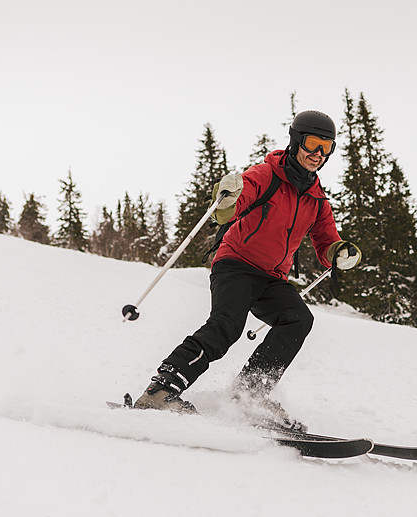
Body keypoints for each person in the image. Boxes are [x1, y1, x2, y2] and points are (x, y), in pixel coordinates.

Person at [133, 110, 361, 430]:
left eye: (327, 147)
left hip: (272, 278)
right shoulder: (266, 174)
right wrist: (228, 197)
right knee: (226, 327)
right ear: (296, 141)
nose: (317, 154)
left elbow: (327, 243)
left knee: (298, 319)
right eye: (312, 143)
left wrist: (339, 253)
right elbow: (230, 208)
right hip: (236, 264)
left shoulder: (317, 200)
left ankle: (250, 394)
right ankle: (160, 391)